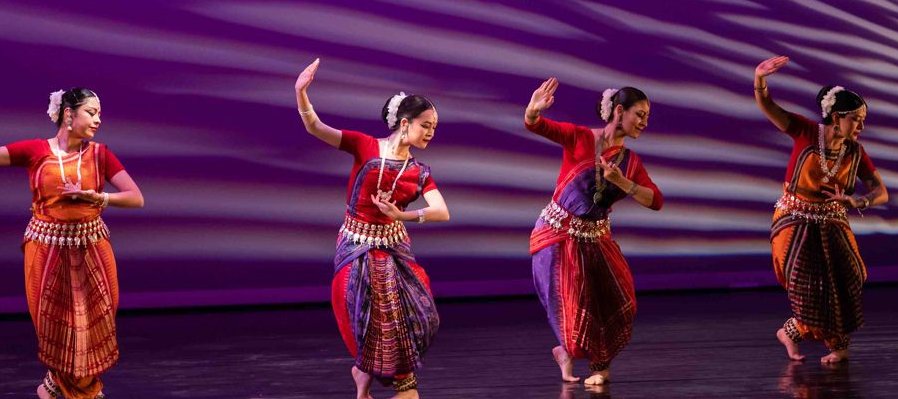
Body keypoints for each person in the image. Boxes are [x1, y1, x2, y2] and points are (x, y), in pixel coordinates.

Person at [294, 59, 449, 399]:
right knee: (365, 313)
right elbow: (317, 128)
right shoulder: (364, 145)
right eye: (426, 125)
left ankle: (370, 380)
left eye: (434, 128)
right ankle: (391, 382)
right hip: (356, 245)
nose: (430, 133)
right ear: (404, 123)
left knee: (411, 314)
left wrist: (402, 216)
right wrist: (301, 93)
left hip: (393, 248)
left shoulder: (419, 170)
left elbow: (441, 211)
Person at [0, 88, 144, 398]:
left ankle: (73, 390)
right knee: (56, 324)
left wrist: (100, 197)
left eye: (100, 114)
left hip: (91, 246)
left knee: (96, 321)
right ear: (68, 114)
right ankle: (58, 387)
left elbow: (136, 197)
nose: (98, 120)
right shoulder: (35, 151)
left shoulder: (100, 154)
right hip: (46, 250)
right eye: (91, 112)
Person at [524, 78, 663, 385]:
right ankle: (566, 352)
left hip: (597, 240)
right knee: (573, 312)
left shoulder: (630, 163)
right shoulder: (581, 137)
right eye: (639, 114)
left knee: (618, 302)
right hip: (558, 235)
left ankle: (600, 367)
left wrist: (624, 183)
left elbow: (656, 201)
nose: (644, 122)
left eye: (647, 117)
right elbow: (539, 126)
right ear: (618, 111)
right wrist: (533, 111)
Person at [754, 56, 888, 363]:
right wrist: (760, 78)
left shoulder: (855, 151)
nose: (861, 126)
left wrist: (859, 202)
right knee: (805, 285)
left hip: (832, 221)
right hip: (794, 219)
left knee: (849, 278)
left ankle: (815, 337)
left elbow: (881, 191)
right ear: (837, 117)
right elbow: (767, 105)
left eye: (863, 119)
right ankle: (806, 335)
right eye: (856, 118)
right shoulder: (803, 131)